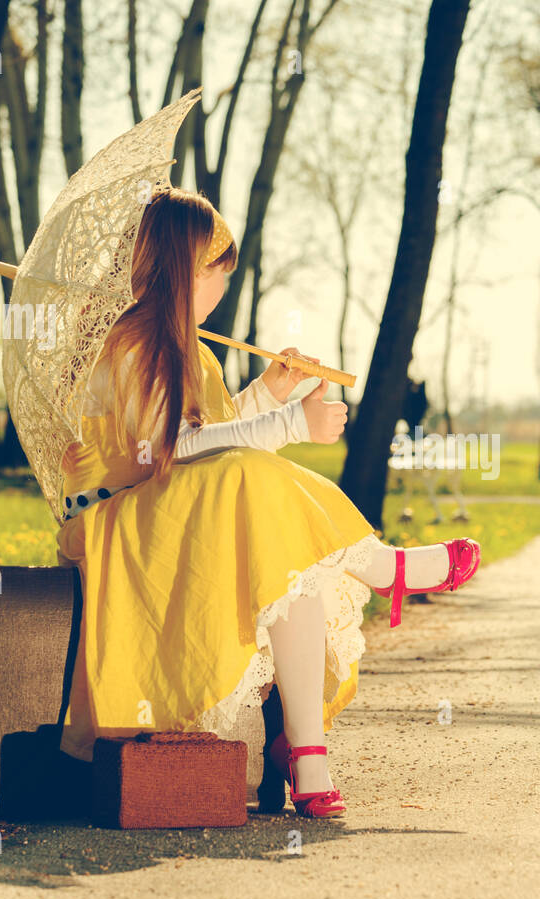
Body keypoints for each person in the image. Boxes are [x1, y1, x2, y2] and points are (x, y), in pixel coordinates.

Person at [53, 187, 480, 818]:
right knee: (254, 475)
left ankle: (308, 754)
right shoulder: (128, 346)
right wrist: (287, 425)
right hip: (117, 521)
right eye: (211, 275)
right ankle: (387, 569)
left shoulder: (189, 349)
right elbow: (172, 452)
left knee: (287, 556)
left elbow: (213, 448)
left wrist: (266, 394)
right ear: (177, 269)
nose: (219, 291)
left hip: (170, 505)